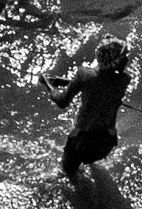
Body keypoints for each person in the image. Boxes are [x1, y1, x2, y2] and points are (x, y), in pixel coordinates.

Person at [42, 38, 131, 182]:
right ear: (116, 61)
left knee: (67, 175)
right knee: (88, 162)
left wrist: (47, 83)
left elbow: (62, 102)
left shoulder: (84, 74)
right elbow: (101, 84)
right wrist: (67, 82)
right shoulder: (125, 80)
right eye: (124, 57)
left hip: (82, 142)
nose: (126, 59)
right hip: (106, 142)